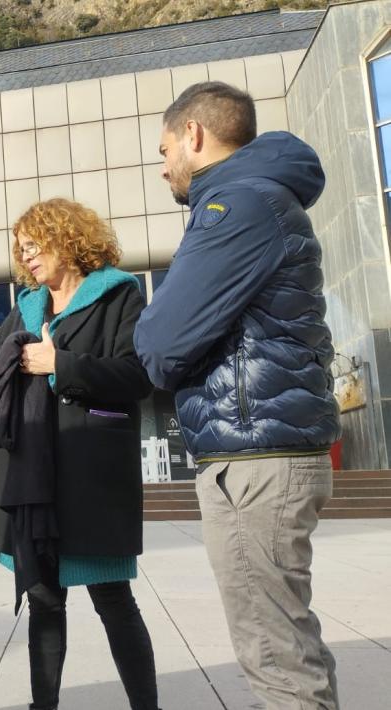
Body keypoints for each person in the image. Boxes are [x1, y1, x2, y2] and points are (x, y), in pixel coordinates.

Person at [135, 82, 341, 710]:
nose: (163, 165)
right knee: (282, 646)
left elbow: (160, 343)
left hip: (256, 459)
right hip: (264, 451)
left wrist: (152, 329)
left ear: (194, 136)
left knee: (277, 660)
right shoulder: (258, 198)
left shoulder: (236, 205)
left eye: (166, 148)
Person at [0, 199, 159, 710]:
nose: (27, 259)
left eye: (35, 247)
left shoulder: (120, 296)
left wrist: (62, 363)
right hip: (32, 476)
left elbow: (138, 377)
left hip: (92, 475)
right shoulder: (29, 305)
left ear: (68, 239)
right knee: (44, 599)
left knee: (113, 599)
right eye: (22, 251)